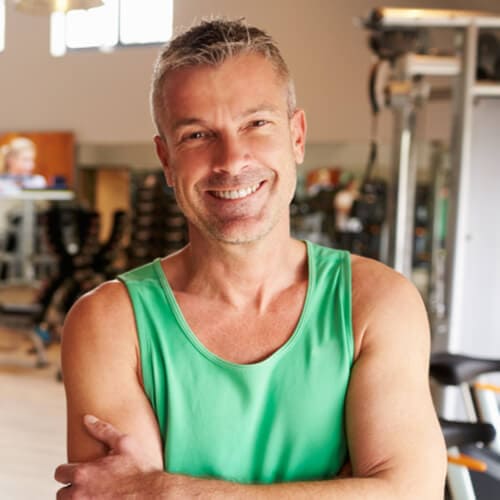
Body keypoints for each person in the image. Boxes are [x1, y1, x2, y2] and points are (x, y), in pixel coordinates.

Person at [54, 19, 446, 498]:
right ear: (166, 160)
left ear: (297, 136)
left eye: (256, 124)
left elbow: (410, 492)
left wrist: (169, 490)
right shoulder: (108, 323)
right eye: (197, 135)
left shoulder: (377, 302)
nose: (232, 159)